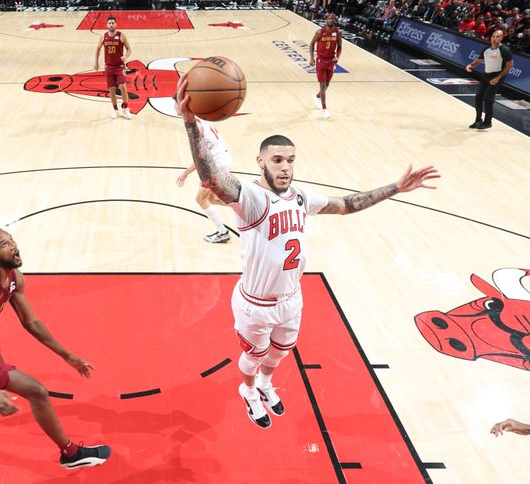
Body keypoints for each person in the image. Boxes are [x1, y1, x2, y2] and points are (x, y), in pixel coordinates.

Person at [174, 77, 440, 429]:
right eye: (278, 160)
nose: (285, 166)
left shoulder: (301, 197)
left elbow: (347, 204)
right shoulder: (251, 199)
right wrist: (190, 123)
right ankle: (249, 389)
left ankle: (267, 384)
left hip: (292, 298)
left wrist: (395, 187)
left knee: (282, 351)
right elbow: (213, 178)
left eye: (290, 160)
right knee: (253, 355)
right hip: (256, 303)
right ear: (261, 162)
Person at [0, 227, 111, 469]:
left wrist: (67, 356)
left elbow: (31, 322)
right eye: (4, 244)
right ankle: (70, 454)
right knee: (37, 392)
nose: (14, 246)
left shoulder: (14, 277)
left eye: (11, 239)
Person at [175, 100, 233, 243]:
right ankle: (247, 209)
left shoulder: (197, 127)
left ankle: (223, 232)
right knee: (213, 199)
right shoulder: (200, 120)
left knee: (200, 199)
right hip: (223, 159)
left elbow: (200, 158)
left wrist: (185, 173)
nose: (173, 107)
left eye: (175, 104)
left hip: (215, 164)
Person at [466, 30, 514, 130]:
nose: (494, 38)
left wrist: (498, 78)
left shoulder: (504, 50)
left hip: (497, 76)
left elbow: (510, 65)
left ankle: (488, 122)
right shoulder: (486, 49)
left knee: (488, 98)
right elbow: (478, 61)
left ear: (501, 38)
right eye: (493, 36)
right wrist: (470, 65)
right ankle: (478, 120)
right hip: (486, 75)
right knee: (478, 97)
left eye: (497, 37)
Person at [94, 16, 132, 120]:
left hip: (119, 66)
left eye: (113, 23)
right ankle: (115, 110)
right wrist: (96, 62)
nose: (111, 24)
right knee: (112, 89)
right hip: (109, 67)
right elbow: (97, 49)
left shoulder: (121, 35)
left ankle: (125, 108)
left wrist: (126, 56)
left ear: (116, 24)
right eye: (109, 23)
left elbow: (129, 49)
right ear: (107, 25)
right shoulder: (104, 36)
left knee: (123, 86)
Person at [309, 12, 342, 119]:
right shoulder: (320, 32)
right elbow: (311, 44)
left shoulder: (338, 32)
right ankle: (324, 109)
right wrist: (311, 58)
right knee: (322, 85)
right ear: (326, 20)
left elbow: (340, 47)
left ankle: (318, 96)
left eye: (333, 18)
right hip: (321, 61)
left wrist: (337, 56)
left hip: (330, 61)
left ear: (335, 20)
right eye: (329, 18)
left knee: (327, 85)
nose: (331, 20)